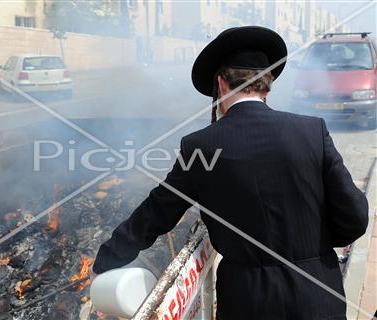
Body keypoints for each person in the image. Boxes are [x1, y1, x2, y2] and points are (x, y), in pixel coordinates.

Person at [92, 26, 369, 319]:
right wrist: (313, 250)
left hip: (246, 301)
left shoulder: (199, 146)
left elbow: (155, 214)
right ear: (268, 83)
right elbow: (354, 219)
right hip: (318, 296)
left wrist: (106, 261)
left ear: (222, 85)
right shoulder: (313, 130)